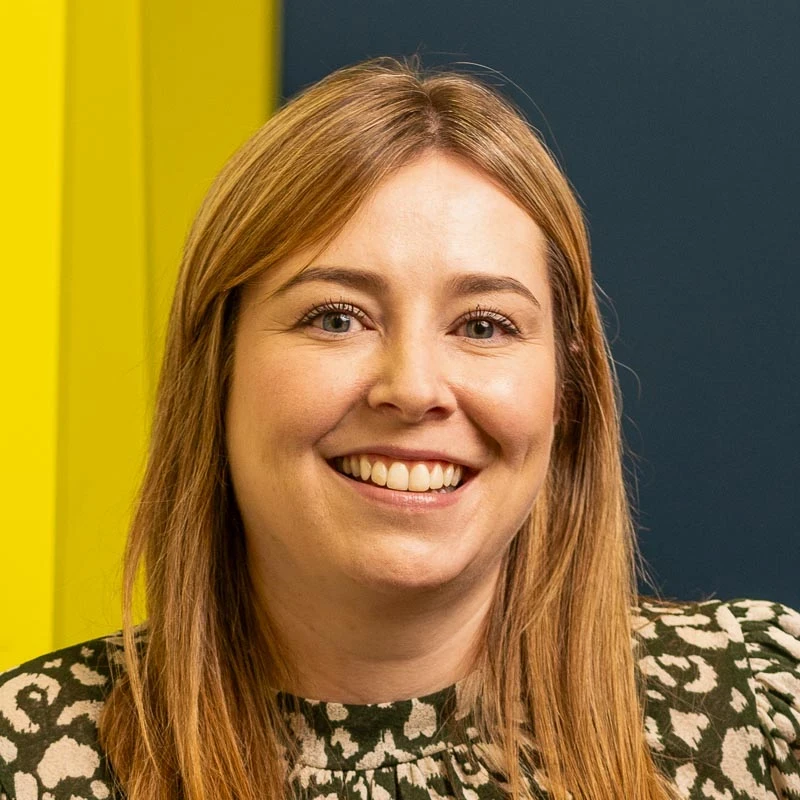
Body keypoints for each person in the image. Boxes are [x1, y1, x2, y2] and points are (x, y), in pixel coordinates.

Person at [1, 57, 798, 800]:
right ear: (219, 369)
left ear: (569, 388)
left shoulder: (767, 704)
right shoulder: (28, 758)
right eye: (337, 317)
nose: (413, 389)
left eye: (484, 325)